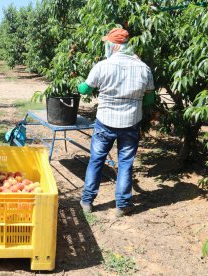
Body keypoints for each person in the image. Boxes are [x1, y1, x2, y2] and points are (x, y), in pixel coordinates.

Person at [78, 28, 155, 217]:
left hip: (105, 122)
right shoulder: (143, 68)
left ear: (112, 46)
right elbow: (149, 100)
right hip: (130, 123)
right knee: (126, 163)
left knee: (96, 160)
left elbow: (84, 90)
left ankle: (87, 201)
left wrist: (82, 84)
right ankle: (122, 205)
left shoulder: (102, 66)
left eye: (107, 44)